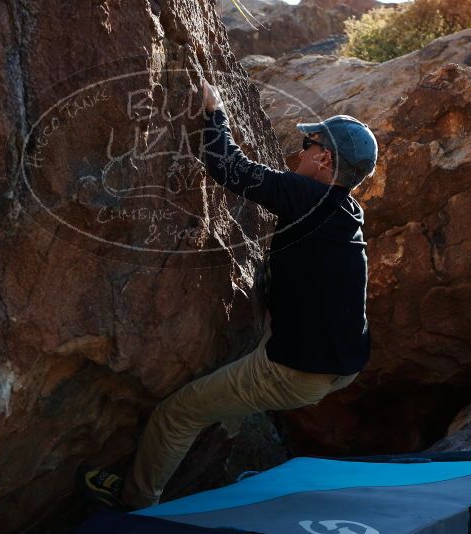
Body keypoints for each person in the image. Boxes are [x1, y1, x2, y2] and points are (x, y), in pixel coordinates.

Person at [77, 78, 378, 510]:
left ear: (325, 158)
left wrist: (214, 110)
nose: (301, 150)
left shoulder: (306, 196)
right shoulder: (349, 209)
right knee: (233, 392)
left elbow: (228, 168)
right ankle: (225, 461)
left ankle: (135, 506)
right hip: (343, 362)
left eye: (308, 143)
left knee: (177, 415)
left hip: (297, 370)